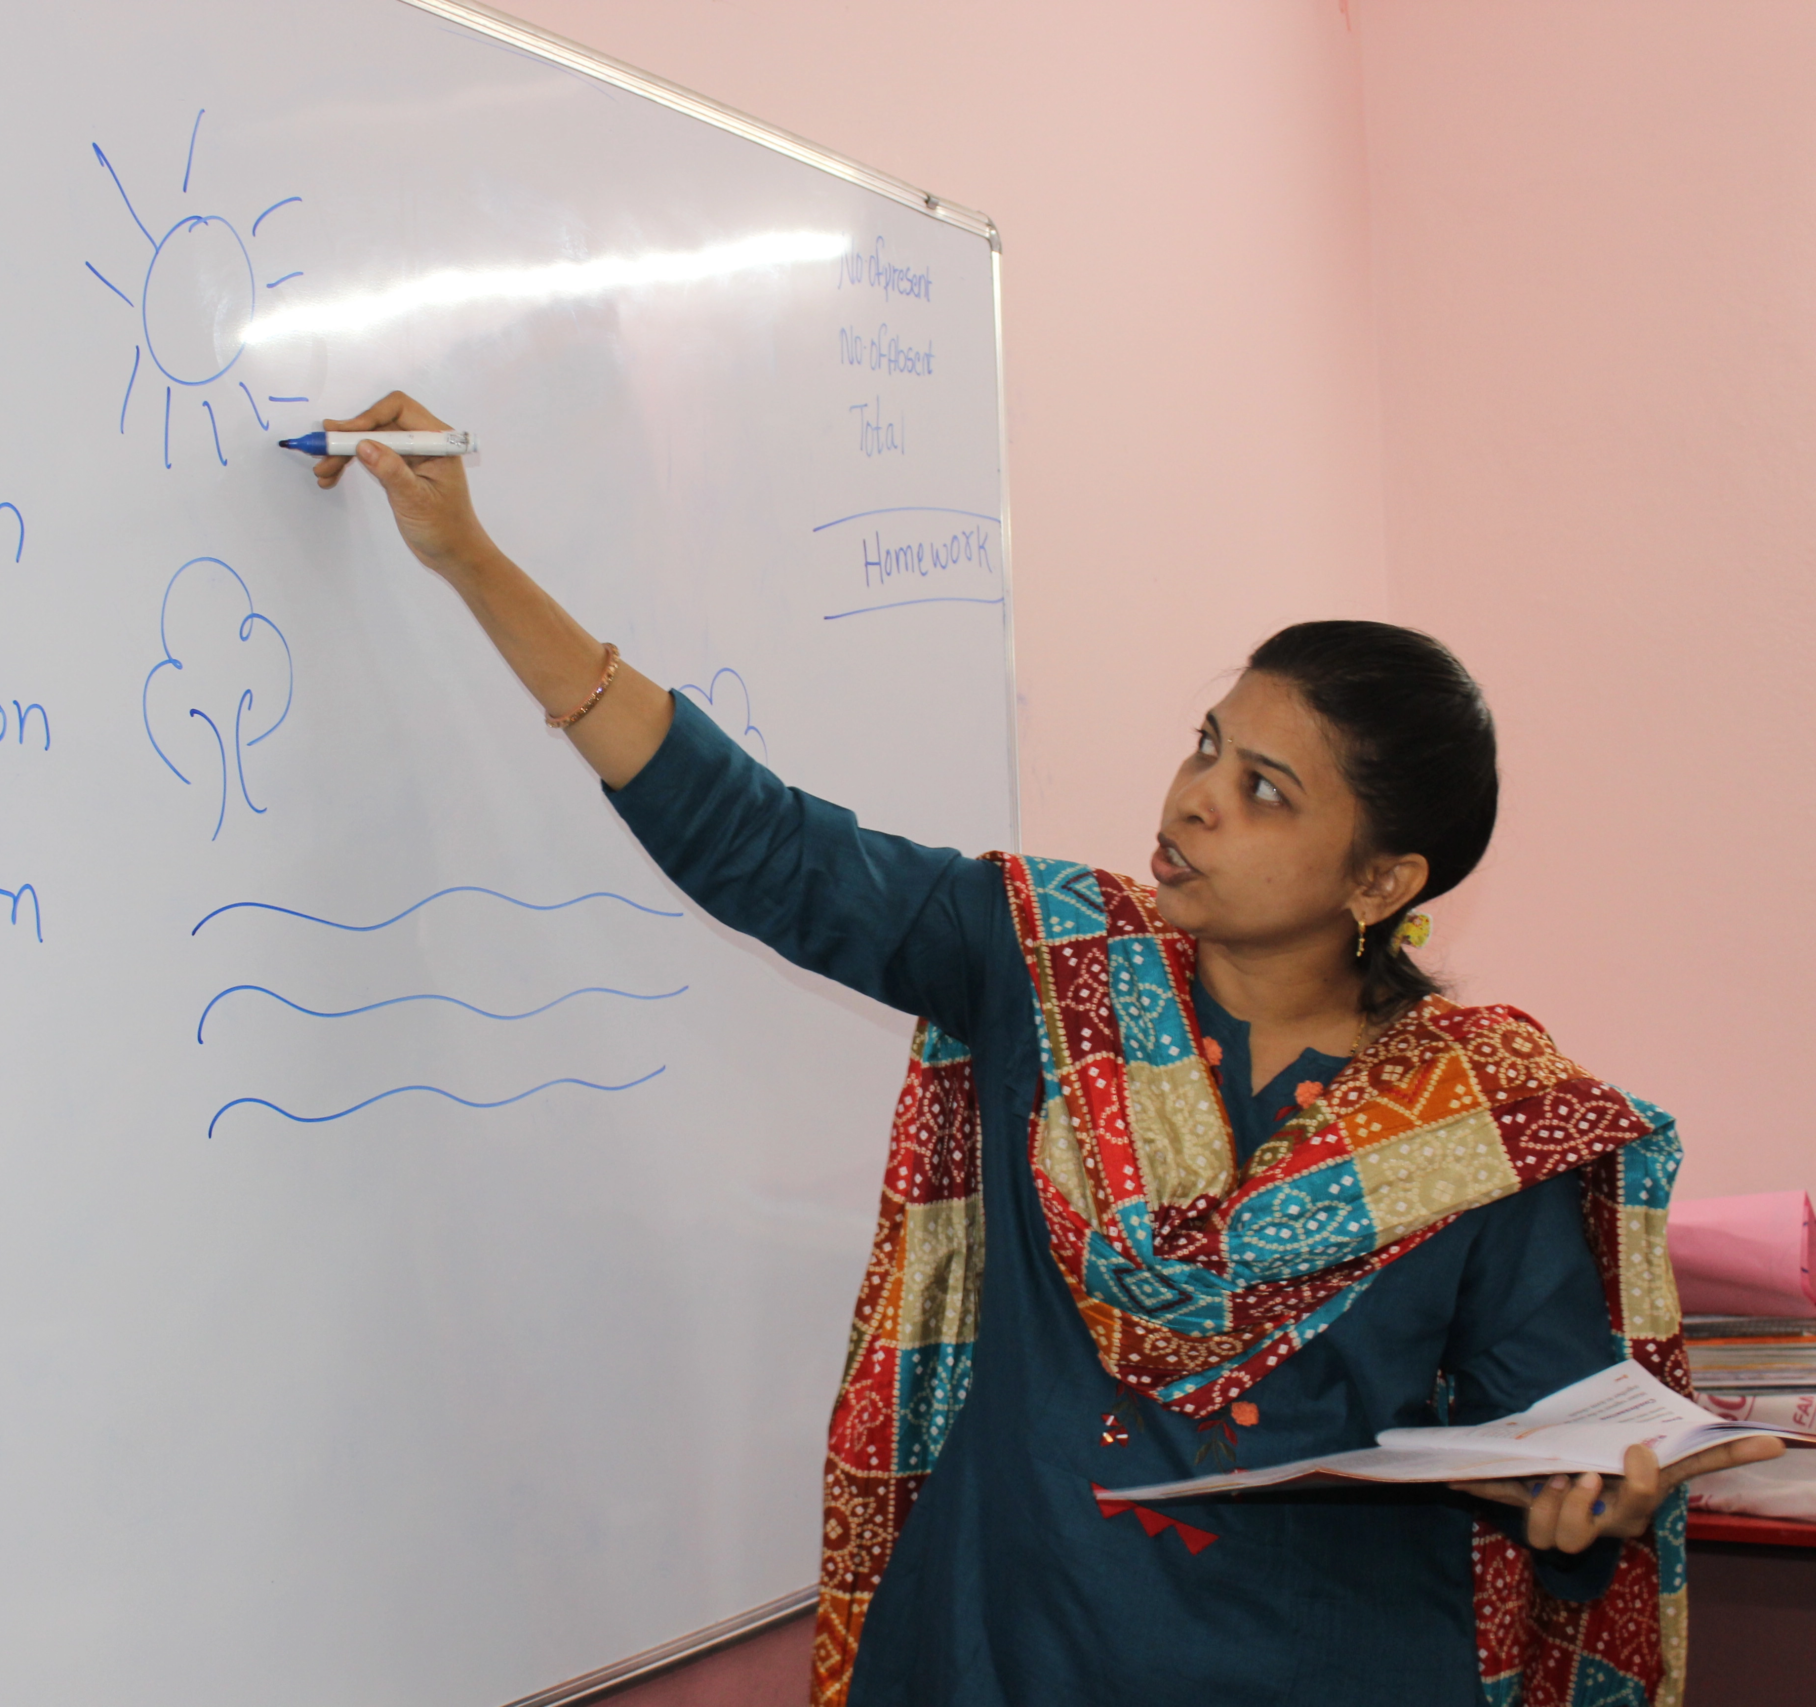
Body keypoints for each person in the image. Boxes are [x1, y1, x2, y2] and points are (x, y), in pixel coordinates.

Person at [306, 393, 1783, 1707]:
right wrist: (470, 559)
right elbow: (761, 843)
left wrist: (1585, 1501)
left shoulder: (1481, 1121)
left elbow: (1558, 1436)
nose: (1193, 798)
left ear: (1382, 879)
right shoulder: (1051, 962)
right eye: (1206, 745)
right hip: (1011, 1649)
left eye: (1266, 790)